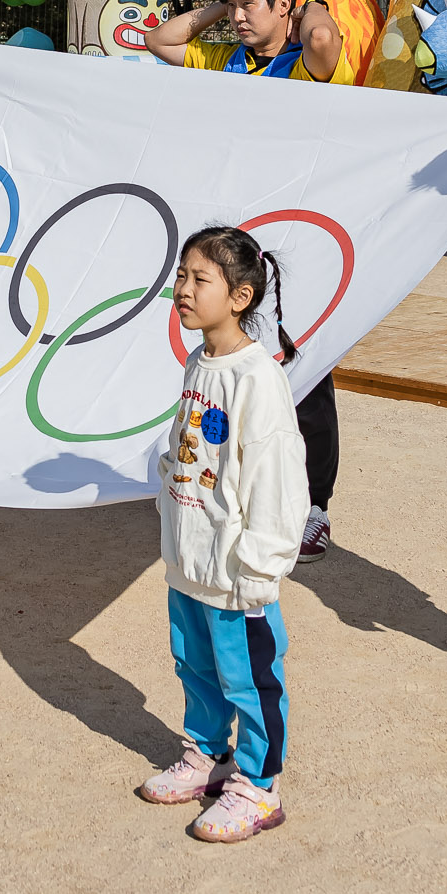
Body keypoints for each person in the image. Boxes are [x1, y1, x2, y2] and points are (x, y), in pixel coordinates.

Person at [148, 0, 350, 565]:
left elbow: (319, 35)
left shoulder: (307, 63)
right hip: (236, 244)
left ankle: (313, 508)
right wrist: (225, 4)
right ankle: (224, 489)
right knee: (224, 367)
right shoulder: (226, 55)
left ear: (284, 7)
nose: (236, 15)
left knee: (305, 377)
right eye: (231, 4)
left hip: (297, 245)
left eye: (249, 4)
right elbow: (161, 40)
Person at [138, 225, 306, 844]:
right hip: (188, 556)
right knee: (195, 665)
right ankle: (206, 756)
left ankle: (260, 786)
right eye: (181, 276)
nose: (181, 289)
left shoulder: (257, 379)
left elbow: (277, 477)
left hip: (236, 572)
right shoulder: (197, 360)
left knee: (248, 676)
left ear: (240, 296)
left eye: (198, 279)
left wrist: (262, 565)